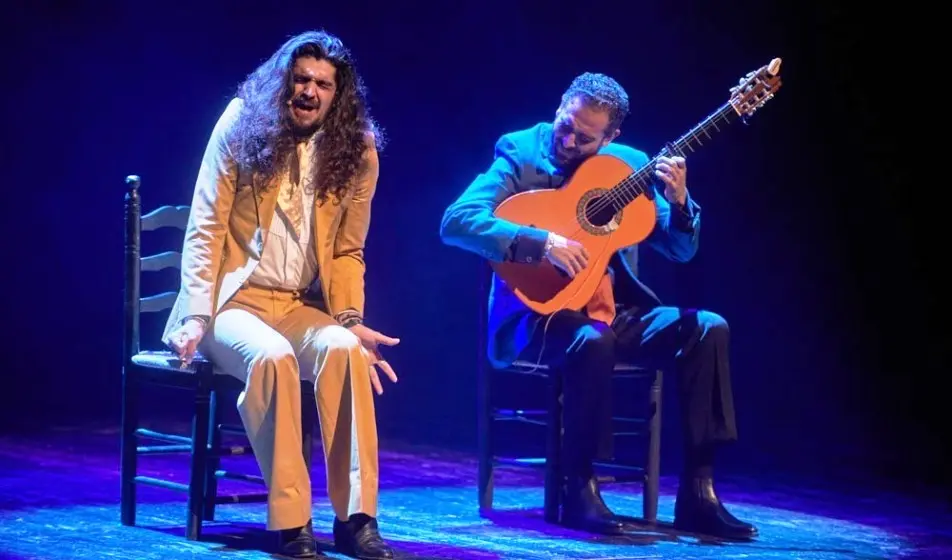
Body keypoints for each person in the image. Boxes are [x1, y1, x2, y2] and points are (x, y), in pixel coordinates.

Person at [439, 72, 758, 541]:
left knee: (708, 327)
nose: (568, 140)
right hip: (539, 315)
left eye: (585, 137)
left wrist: (681, 201)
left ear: (611, 137)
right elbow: (456, 221)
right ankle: (579, 487)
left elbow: (680, 249)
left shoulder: (628, 167)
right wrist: (540, 242)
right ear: (560, 105)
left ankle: (698, 492)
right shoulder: (519, 151)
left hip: (612, 310)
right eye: (565, 125)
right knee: (593, 339)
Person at [163, 30, 398, 559]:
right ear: (283, 82)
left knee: (343, 351)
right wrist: (197, 318)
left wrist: (349, 317)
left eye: (322, 84)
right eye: (301, 79)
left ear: (339, 95)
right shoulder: (241, 123)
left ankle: (357, 519)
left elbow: (347, 251)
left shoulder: (357, 151)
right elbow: (206, 227)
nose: (309, 91)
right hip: (229, 303)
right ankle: (291, 523)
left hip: (294, 304)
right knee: (272, 358)